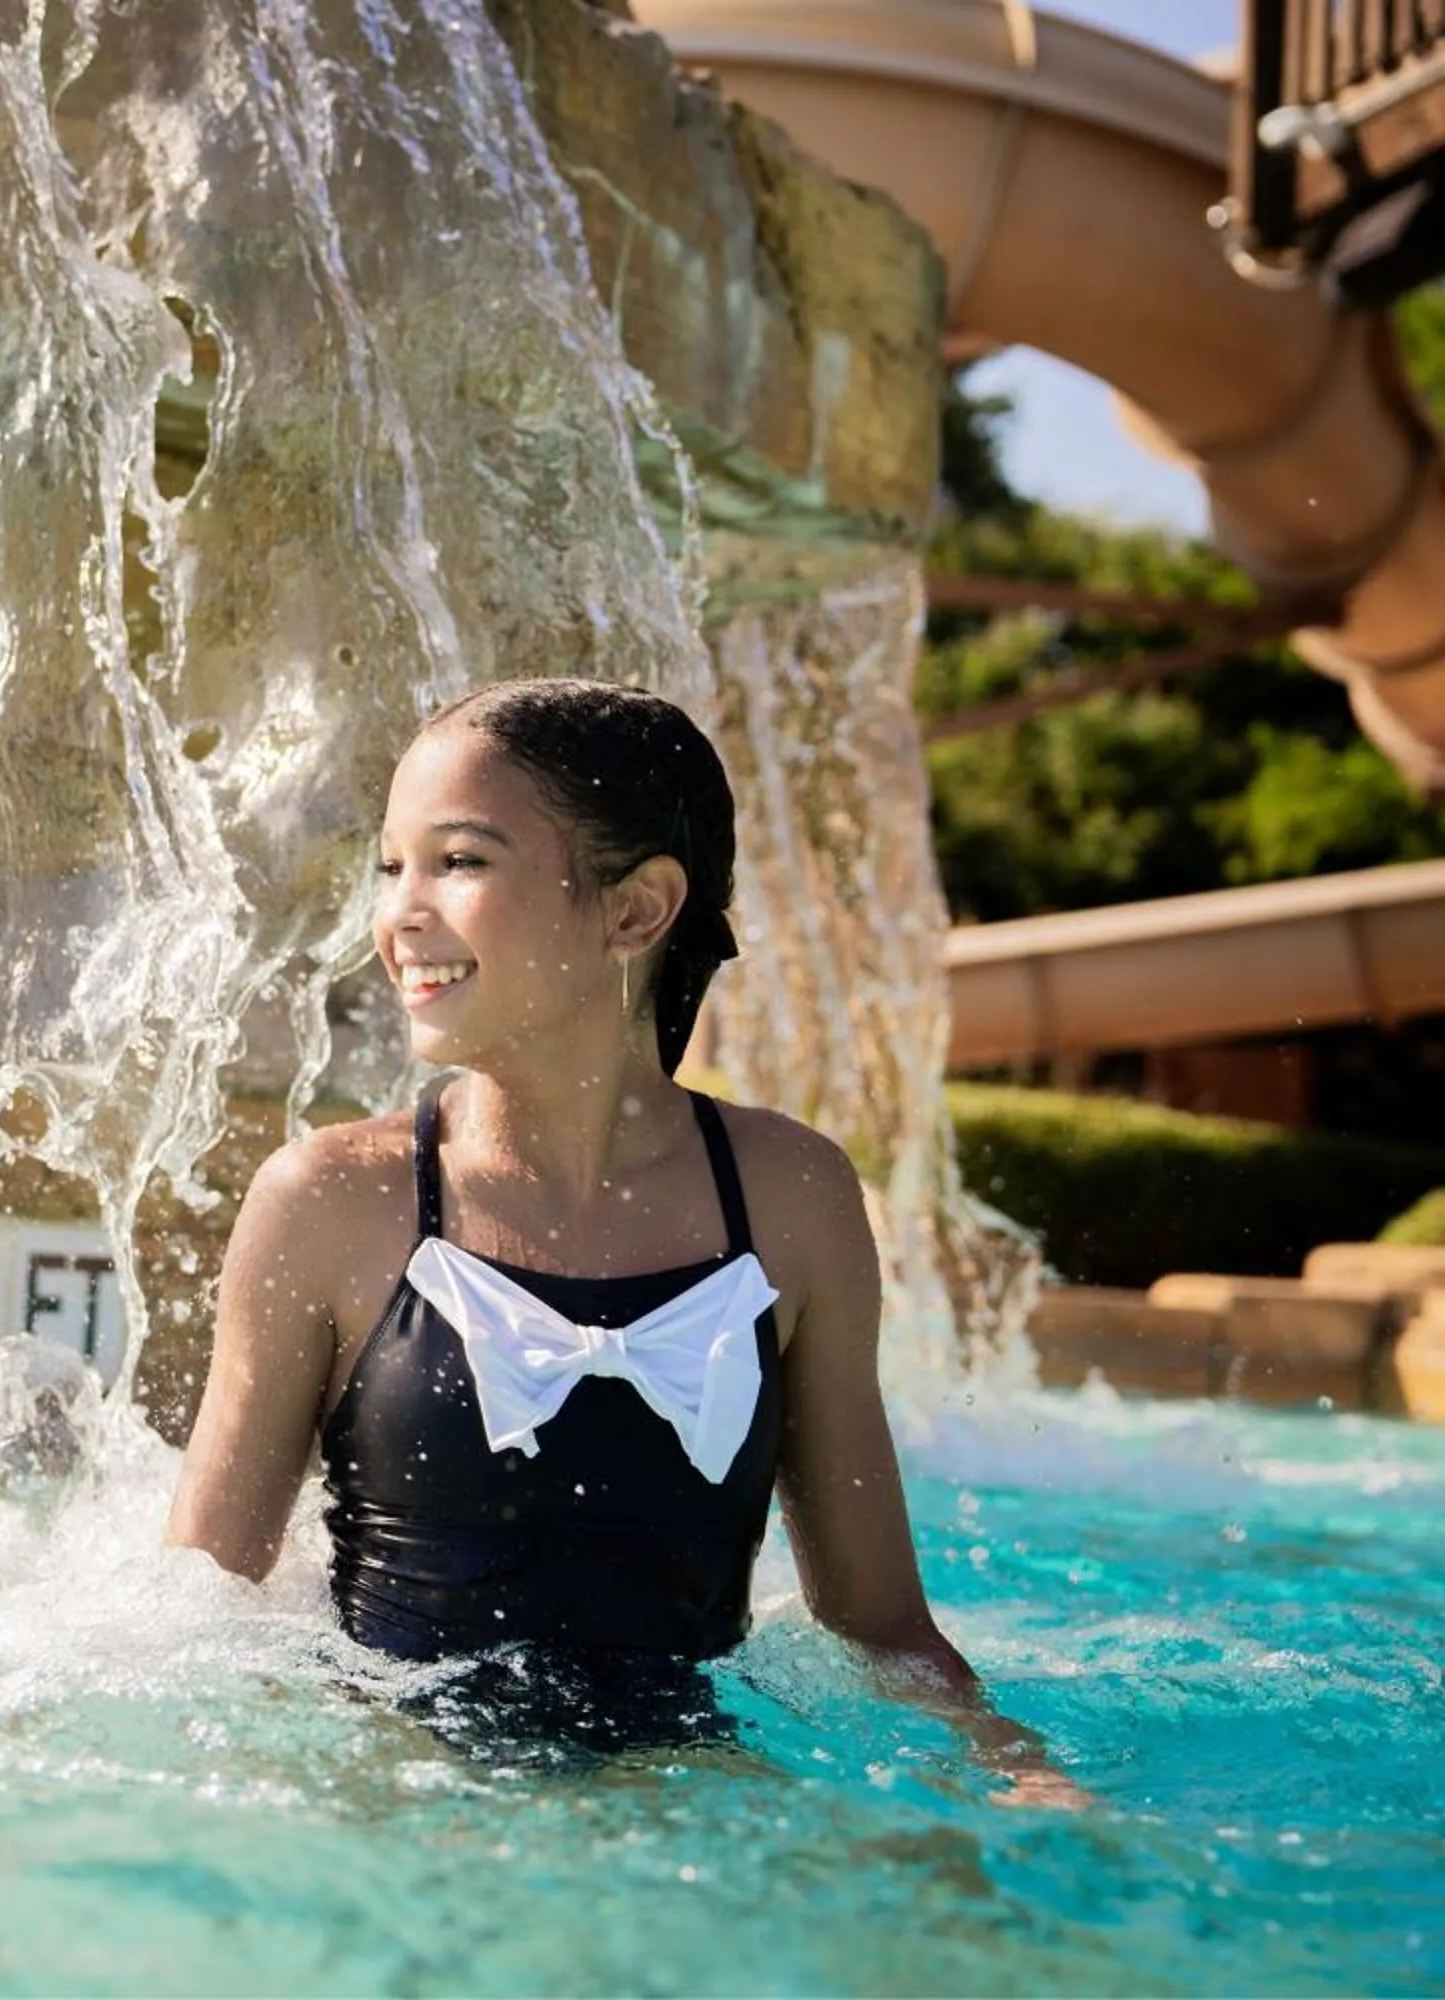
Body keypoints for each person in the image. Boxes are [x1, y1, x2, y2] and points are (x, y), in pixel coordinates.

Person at [165, 679, 1074, 1796]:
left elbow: (881, 1625)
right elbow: (198, 1613)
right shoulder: (333, 1200)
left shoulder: (789, 1199)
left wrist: (1029, 1779)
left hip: (687, 1798)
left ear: (636, 909)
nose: (401, 912)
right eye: (390, 865)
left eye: (459, 860)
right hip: (397, 1800)